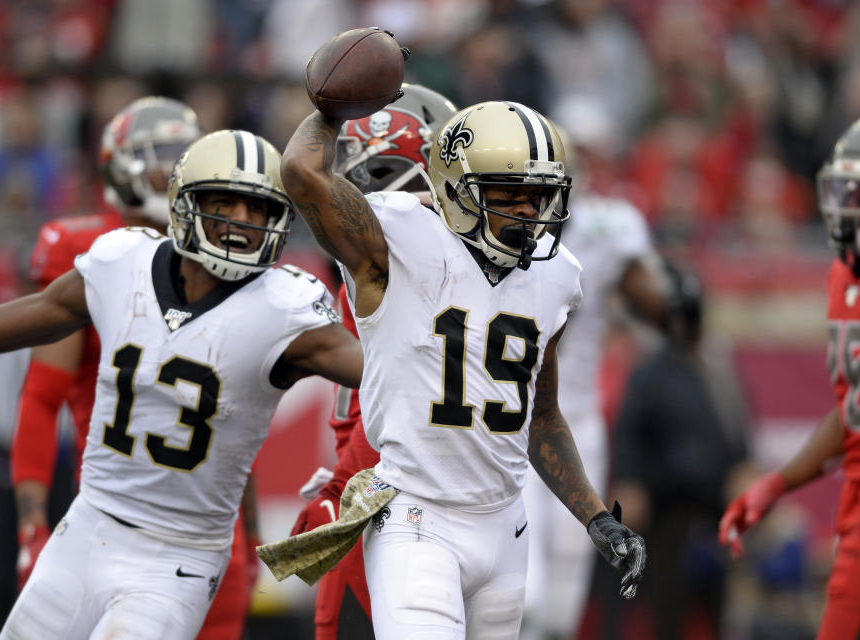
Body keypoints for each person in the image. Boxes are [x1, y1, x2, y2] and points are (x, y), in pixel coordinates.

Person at [0, 128, 363, 639]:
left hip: (178, 558)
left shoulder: (286, 308)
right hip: (88, 527)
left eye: (258, 209)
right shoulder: (121, 262)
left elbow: (382, 373)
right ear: (185, 202)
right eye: (225, 202)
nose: (243, 221)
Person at [279, 66, 647, 637]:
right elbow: (301, 172)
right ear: (456, 187)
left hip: (506, 526)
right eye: (509, 195)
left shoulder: (557, 275)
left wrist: (595, 517)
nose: (527, 212)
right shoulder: (399, 238)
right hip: (415, 515)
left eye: (539, 196)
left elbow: (541, 418)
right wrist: (329, 109)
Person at [10, 96, 262, 639]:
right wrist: (31, 522)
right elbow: (41, 394)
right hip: (110, 518)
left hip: (207, 530)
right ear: (119, 167)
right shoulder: (95, 252)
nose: (171, 167)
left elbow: (238, 414)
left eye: (182, 153)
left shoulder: (228, 256)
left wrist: (255, 530)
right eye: (160, 154)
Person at [289, 83, 458, 640]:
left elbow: (399, 413)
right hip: (381, 503)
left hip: (403, 504)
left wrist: (340, 488)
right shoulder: (369, 279)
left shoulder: (432, 280)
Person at [519, 116, 669, 639]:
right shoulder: (491, 227)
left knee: (566, 569)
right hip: (508, 419)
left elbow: (654, 304)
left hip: (573, 416)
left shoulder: (606, 230)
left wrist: (671, 299)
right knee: (525, 582)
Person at [719, 117, 860, 640]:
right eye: (844, 192)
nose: (846, 208)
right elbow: (852, 410)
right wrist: (778, 483)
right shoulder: (844, 278)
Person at [613, 261, 748, 640]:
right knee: (667, 602)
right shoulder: (650, 372)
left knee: (732, 599)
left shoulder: (718, 369)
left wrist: (746, 466)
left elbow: (738, 430)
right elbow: (629, 433)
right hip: (666, 508)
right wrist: (628, 480)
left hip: (718, 503)